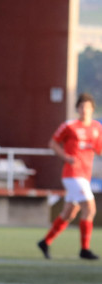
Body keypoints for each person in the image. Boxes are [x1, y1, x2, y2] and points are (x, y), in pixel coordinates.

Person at [38, 92, 101, 260]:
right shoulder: (70, 126)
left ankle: (45, 241)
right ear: (77, 109)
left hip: (85, 175)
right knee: (90, 208)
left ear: (92, 109)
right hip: (73, 174)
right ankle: (84, 249)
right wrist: (65, 157)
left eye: (87, 107)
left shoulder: (96, 128)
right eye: (81, 107)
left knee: (69, 213)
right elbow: (53, 143)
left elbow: (99, 149)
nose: (84, 110)